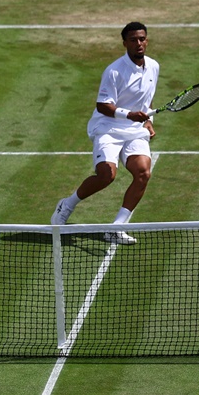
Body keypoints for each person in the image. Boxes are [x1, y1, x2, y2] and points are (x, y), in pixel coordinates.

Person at [49, 21, 160, 246]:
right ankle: (67, 205)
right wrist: (129, 115)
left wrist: (147, 121)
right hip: (108, 128)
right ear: (124, 43)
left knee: (143, 174)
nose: (138, 43)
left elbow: (146, 101)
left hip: (134, 130)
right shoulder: (114, 70)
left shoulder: (154, 67)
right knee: (106, 175)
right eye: (133, 40)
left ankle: (117, 228)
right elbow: (103, 106)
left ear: (146, 40)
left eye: (142, 39)